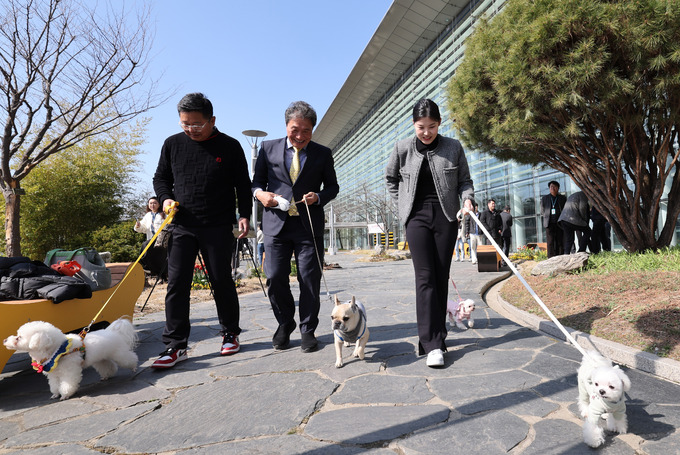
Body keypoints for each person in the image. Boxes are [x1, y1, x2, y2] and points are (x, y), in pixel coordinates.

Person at [151, 93, 252, 368]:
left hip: (217, 225)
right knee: (177, 284)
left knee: (221, 280)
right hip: (182, 225)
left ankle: (230, 333)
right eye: (185, 123)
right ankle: (175, 346)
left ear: (212, 120)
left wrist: (244, 215)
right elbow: (161, 178)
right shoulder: (172, 144)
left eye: (197, 124)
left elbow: (243, 184)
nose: (190, 129)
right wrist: (165, 198)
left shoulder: (230, 146)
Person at [385, 98, 474, 368]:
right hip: (416, 218)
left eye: (432, 126)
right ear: (414, 125)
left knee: (440, 276)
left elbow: (465, 181)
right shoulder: (402, 148)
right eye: (421, 127)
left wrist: (468, 200)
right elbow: (390, 179)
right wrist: (403, 209)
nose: (426, 132)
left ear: (439, 124)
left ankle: (435, 337)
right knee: (424, 277)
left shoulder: (453, 147)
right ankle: (433, 343)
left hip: (446, 218)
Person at [252, 101, 339, 353]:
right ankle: (285, 322)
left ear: (313, 129)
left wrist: (319, 197)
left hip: (307, 225)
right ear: (286, 126)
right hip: (275, 225)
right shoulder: (268, 149)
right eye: (295, 129)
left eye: (307, 131)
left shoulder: (322, 153)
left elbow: (333, 187)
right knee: (275, 276)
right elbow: (256, 182)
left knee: (309, 278)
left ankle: (307, 329)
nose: (300, 136)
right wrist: (260, 195)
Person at [134, 196, 167, 280]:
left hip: (162, 240)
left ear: (159, 204)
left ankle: (143, 262)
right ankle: (158, 275)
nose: (152, 205)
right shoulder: (148, 215)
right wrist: (138, 225)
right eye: (150, 203)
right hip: (151, 239)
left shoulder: (164, 214)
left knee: (146, 246)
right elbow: (143, 228)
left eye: (155, 203)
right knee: (155, 259)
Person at [540, 180, 567, 258]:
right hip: (549, 223)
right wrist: (546, 216)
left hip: (559, 223)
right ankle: (551, 257)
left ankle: (560, 256)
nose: (552, 188)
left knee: (560, 240)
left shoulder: (562, 198)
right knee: (550, 241)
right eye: (551, 187)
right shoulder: (545, 198)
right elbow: (542, 210)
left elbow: (565, 209)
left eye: (554, 186)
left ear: (558, 188)